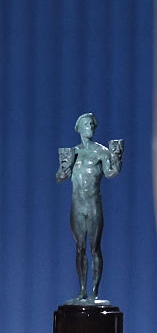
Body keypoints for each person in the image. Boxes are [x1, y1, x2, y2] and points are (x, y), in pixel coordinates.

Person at [56, 112, 123, 303]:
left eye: (92, 124)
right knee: (79, 248)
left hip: (93, 205)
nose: (90, 127)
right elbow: (60, 177)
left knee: (94, 248)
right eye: (86, 124)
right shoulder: (73, 152)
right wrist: (63, 171)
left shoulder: (101, 152)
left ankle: (94, 292)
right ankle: (82, 291)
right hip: (77, 205)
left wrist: (117, 158)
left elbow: (110, 173)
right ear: (79, 128)